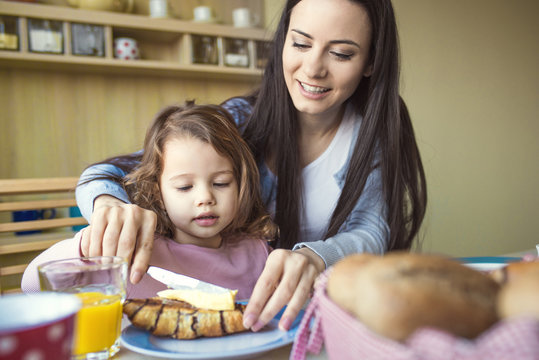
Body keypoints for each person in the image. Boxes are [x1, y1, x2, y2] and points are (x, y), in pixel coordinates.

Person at [74, 0, 427, 332]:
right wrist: (110, 205)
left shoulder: (375, 130)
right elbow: (104, 175)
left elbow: (372, 230)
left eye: (340, 53)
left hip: (323, 320)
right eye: (301, 44)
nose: (314, 68)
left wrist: (315, 258)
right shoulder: (241, 119)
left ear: (371, 62)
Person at [22, 103, 276, 300]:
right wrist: (88, 247)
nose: (205, 198)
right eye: (185, 187)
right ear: (158, 193)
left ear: (241, 183)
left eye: (221, 183)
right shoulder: (132, 251)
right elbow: (32, 286)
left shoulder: (257, 251)